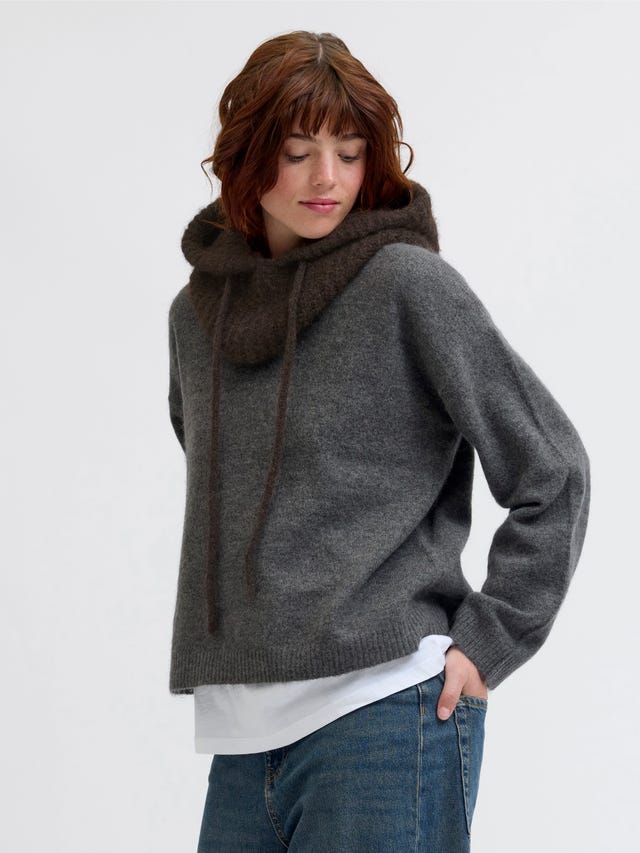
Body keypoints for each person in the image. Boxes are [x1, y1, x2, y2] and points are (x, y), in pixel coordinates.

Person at [167, 30, 591, 852]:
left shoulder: (406, 284)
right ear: (247, 158)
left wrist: (490, 640)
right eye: (298, 152)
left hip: (386, 715)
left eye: (351, 151)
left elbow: (554, 468)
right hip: (241, 735)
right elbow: (226, 476)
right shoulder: (195, 318)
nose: (328, 176)